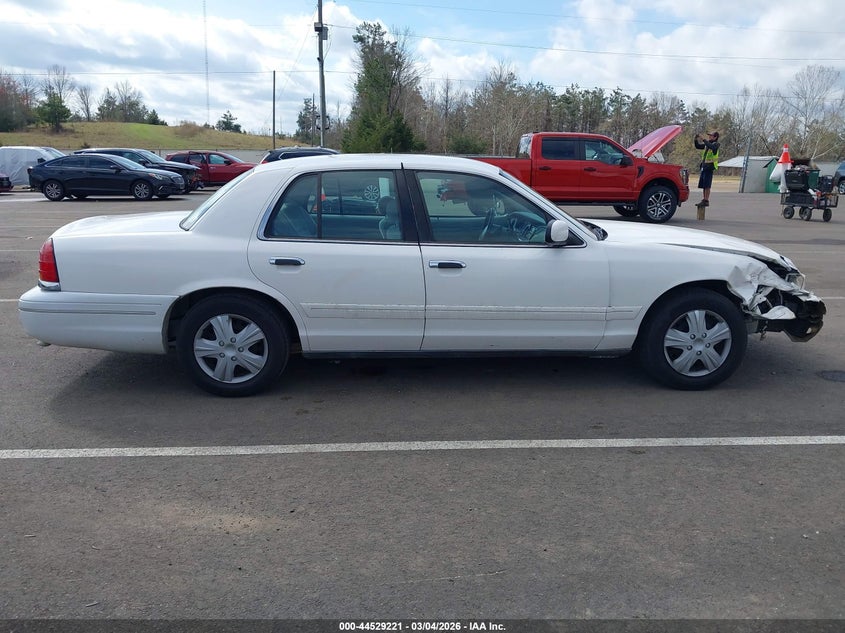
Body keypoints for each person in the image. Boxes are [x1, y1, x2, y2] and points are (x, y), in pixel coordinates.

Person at [694, 131, 720, 206]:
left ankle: (706, 200)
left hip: (710, 167)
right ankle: (704, 199)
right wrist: (695, 139)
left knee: (707, 185)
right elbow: (698, 146)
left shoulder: (716, 144)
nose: (709, 137)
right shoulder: (707, 144)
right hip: (704, 166)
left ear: (715, 137)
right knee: (704, 185)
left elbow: (712, 147)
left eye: (711, 136)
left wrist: (704, 140)